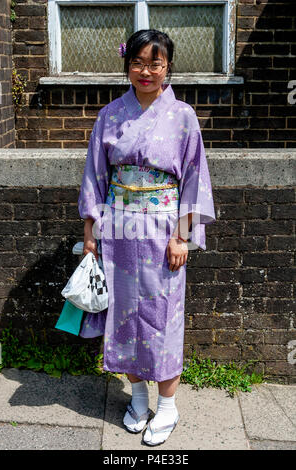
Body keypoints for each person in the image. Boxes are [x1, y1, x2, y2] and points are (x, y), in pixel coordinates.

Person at [77, 29, 216, 446]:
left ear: (167, 66)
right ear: (127, 65)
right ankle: (138, 399)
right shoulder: (110, 115)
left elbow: (194, 178)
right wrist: (90, 235)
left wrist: (182, 237)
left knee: (163, 317)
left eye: (155, 64)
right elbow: (94, 178)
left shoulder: (184, 116)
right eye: (138, 62)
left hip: (162, 230)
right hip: (118, 229)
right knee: (123, 318)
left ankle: (168, 407)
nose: (146, 71)